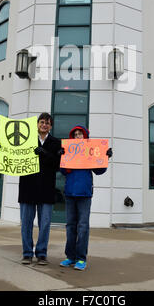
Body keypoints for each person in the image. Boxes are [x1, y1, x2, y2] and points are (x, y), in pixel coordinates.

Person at [60, 125, 112, 271]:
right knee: (70, 226)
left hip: (84, 193)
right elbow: (63, 171)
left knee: (82, 227)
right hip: (70, 193)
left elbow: (99, 170)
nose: (78, 136)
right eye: (75, 134)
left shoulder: (90, 153)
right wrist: (62, 155)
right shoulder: (69, 152)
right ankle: (70, 256)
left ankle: (81, 258)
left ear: (85, 136)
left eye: (80, 134)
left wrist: (105, 156)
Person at [18, 112, 62, 265]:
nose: (44, 125)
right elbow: (14, 155)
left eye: (48, 123)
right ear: (37, 124)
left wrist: (45, 154)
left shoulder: (56, 143)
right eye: (42, 122)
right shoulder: (26, 139)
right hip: (27, 188)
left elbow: (58, 164)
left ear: (51, 126)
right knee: (26, 224)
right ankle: (27, 253)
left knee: (45, 225)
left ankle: (42, 253)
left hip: (46, 189)